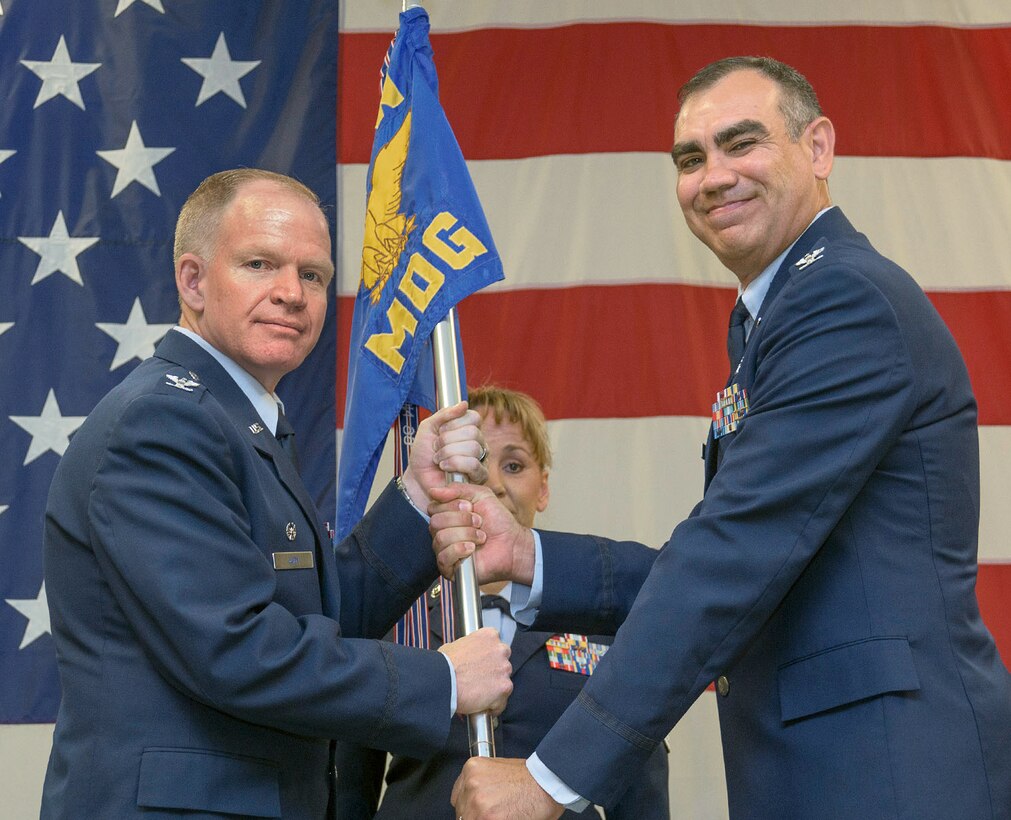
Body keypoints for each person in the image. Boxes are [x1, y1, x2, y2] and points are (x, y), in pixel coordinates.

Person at [429, 58, 1011, 820]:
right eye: (690, 158)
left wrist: (550, 778)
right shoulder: (779, 313)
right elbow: (754, 563)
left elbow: (733, 553)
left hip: (888, 774)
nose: (713, 177)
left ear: (819, 148)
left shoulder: (842, 299)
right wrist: (530, 558)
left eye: (742, 144)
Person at [40, 169, 513, 820]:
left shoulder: (236, 418)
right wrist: (444, 681)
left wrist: (415, 496)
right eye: (260, 264)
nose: (291, 293)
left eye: (313, 275)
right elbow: (235, 650)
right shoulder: (162, 423)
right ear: (193, 281)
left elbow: (311, 619)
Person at [334, 386, 670, 819]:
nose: (492, 483)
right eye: (474, 464)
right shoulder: (398, 614)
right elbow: (349, 781)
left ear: (543, 488)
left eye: (513, 465)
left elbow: (637, 771)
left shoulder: (602, 617)